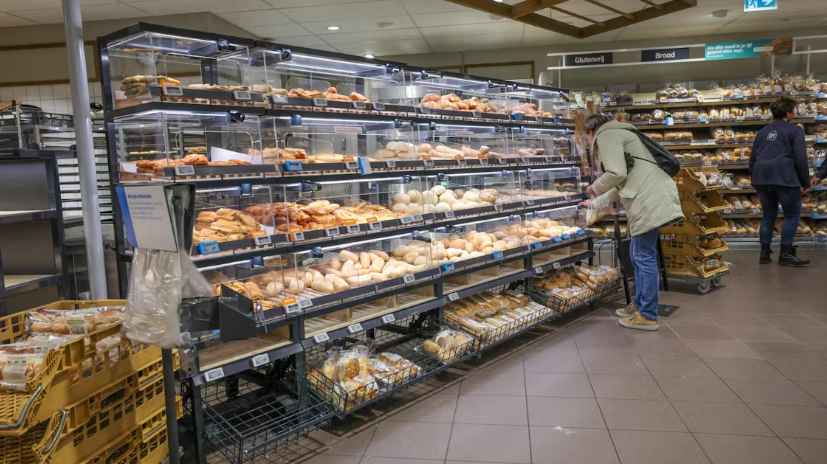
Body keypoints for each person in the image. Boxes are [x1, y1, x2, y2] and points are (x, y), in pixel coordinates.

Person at [585, 114, 683, 331]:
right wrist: (595, 202)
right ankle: (639, 305)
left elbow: (616, 173)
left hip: (648, 200)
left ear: (590, 132)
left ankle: (648, 315)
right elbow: (622, 179)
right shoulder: (621, 132)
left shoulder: (607, 135)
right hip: (649, 196)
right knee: (638, 255)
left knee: (643, 257)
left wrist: (595, 188)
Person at [749, 97, 810, 267]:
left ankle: (764, 254)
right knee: (791, 215)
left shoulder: (761, 132)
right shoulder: (794, 131)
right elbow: (801, 159)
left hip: (762, 178)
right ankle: (786, 254)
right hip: (785, 177)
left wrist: (755, 181)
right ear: (788, 113)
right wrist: (806, 183)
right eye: (793, 111)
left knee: (768, 215)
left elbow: (753, 158)